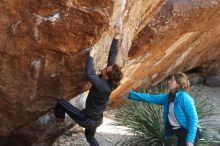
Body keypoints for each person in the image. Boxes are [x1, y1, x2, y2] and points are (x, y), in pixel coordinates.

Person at [53, 25, 123, 146]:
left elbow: (89, 73)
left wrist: (91, 55)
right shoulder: (110, 82)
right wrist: (116, 36)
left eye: (105, 70)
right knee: (89, 137)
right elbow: (112, 56)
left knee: (60, 101)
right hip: (97, 119)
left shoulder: (102, 85)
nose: (104, 68)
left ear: (106, 77)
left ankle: (60, 118)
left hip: (86, 119)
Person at [128, 72, 199, 146]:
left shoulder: (184, 97)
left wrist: (190, 140)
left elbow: (193, 118)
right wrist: (131, 94)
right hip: (180, 134)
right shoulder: (168, 97)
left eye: (172, 80)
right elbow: (151, 98)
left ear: (178, 84)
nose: (168, 81)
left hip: (189, 133)